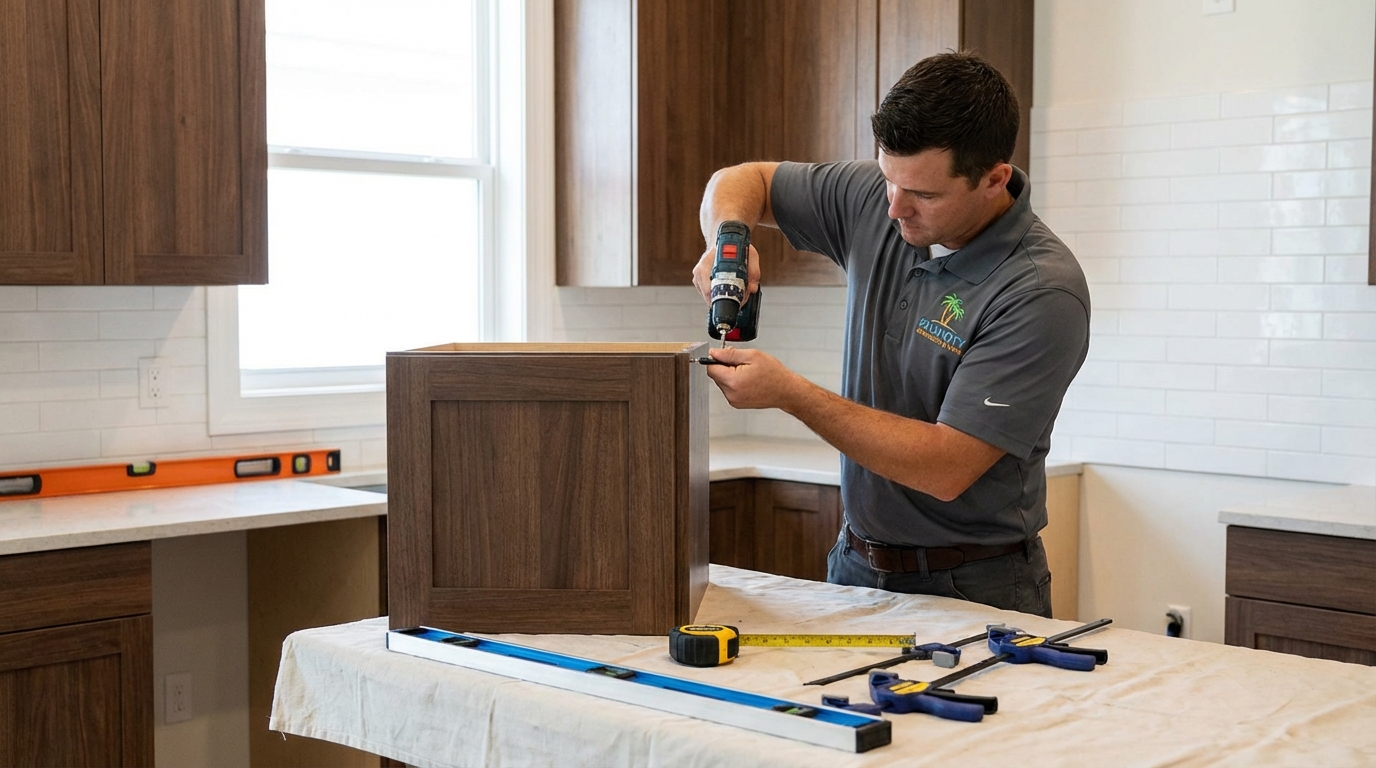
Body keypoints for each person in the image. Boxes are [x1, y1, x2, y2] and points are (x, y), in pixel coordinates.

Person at [691, 52, 1089, 618]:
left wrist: (790, 393)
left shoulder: (1039, 290)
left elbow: (946, 467)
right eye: (887, 179)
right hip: (852, 564)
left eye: (923, 194)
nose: (894, 208)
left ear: (994, 178)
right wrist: (727, 240)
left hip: (974, 586)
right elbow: (740, 179)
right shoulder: (879, 197)